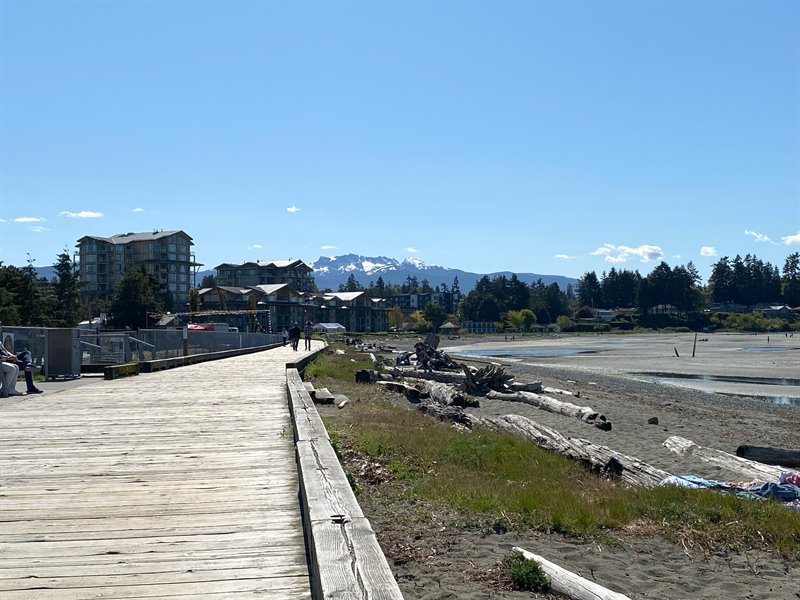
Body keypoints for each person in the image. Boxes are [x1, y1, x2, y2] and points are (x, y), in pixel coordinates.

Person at [0, 326, 43, 395]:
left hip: (9, 359)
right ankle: (30, 387)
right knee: (22, 367)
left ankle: (28, 364)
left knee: (26, 353)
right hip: (3, 361)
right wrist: (8, 358)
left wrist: (12, 356)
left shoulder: (0, 342)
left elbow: (6, 351)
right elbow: (1, 356)